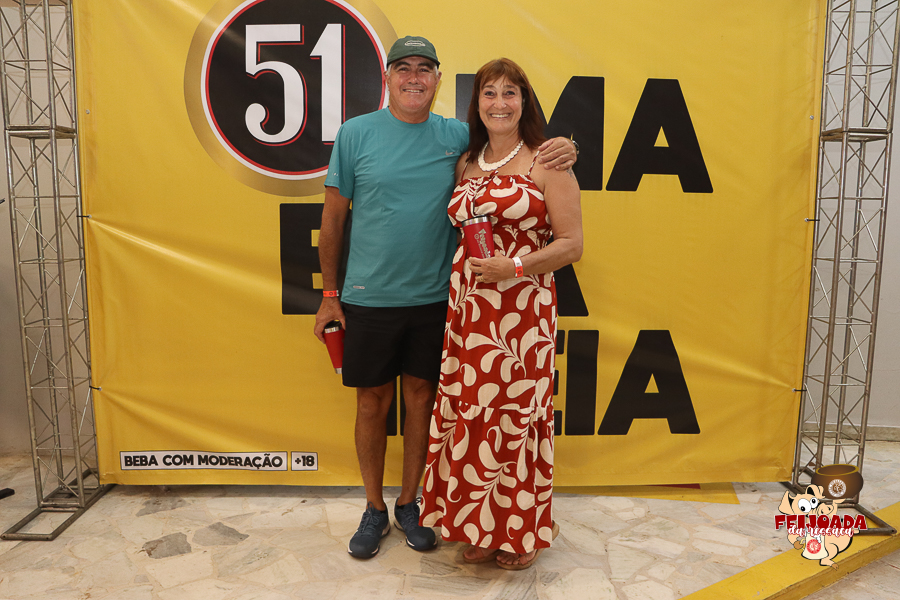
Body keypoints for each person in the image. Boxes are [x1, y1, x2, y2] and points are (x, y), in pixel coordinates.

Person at [313, 37, 577, 559]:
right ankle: (374, 508)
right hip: (376, 298)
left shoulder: (458, 137)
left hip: (442, 301)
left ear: (438, 80)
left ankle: (411, 504)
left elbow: (527, 153)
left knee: (425, 402)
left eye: (425, 69)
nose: (414, 77)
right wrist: (329, 294)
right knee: (371, 403)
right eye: (403, 68)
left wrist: (568, 148)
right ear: (387, 77)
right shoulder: (357, 134)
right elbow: (333, 220)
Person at [419, 58, 583, 570]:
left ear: (524, 101)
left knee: (515, 417)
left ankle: (521, 531)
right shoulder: (467, 162)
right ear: (477, 104)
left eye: (510, 93)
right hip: (469, 311)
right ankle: (482, 526)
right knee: (473, 413)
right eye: (489, 93)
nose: (499, 103)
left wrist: (513, 266)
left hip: (521, 314)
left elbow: (572, 244)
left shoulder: (547, 161)